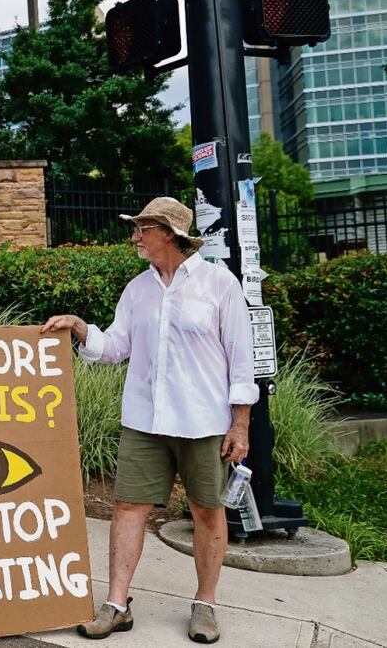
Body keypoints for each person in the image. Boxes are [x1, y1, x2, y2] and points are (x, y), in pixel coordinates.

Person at [41, 196, 257, 644]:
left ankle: (205, 604)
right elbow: (116, 345)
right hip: (144, 419)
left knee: (207, 510)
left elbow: (241, 360)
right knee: (126, 507)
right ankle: (117, 605)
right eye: (136, 228)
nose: (134, 236)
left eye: (143, 229)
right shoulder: (138, 289)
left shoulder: (219, 284)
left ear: (171, 235)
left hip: (203, 421)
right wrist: (81, 327)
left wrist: (240, 424)